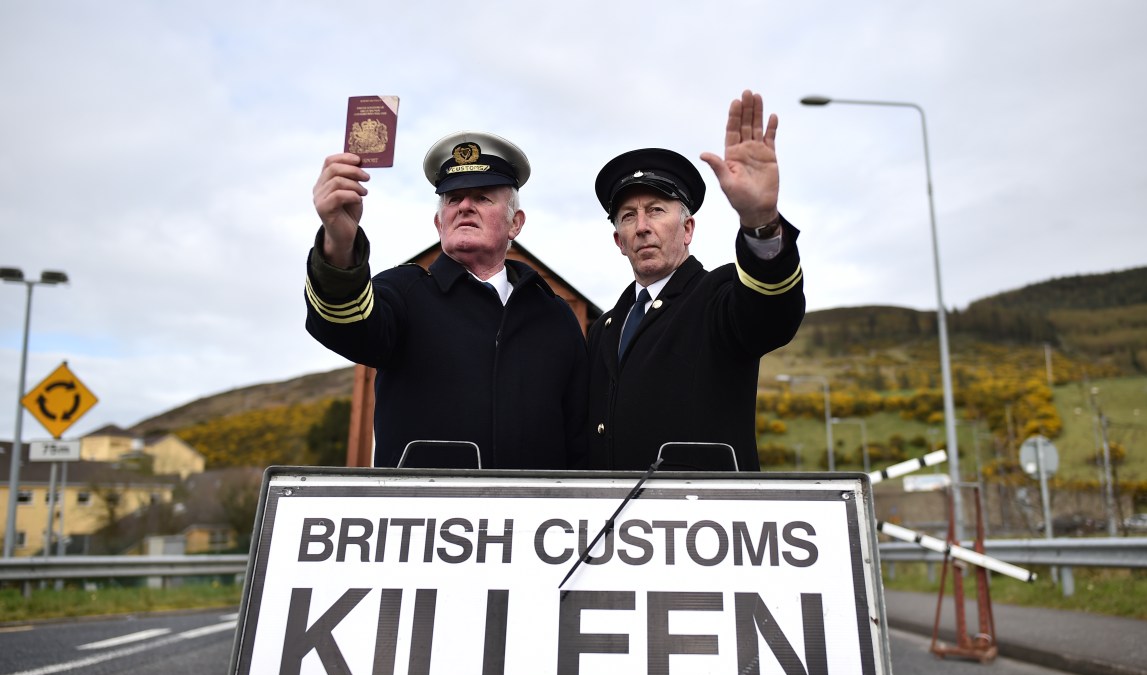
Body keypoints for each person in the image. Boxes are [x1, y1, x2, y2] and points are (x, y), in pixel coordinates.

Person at [306, 131, 587, 469]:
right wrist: (339, 241)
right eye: (453, 198)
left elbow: (580, 440)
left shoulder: (555, 315)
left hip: (533, 518)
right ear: (440, 223)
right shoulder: (404, 293)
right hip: (419, 518)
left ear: (515, 223)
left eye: (482, 197)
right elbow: (344, 321)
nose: (465, 206)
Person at [587, 90, 805, 471]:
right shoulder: (606, 325)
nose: (641, 227)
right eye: (627, 216)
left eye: (656, 211)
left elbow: (771, 312)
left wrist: (760, 222)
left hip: (705, 522)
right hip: (616, 523)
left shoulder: (717, 298)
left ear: (688, 228)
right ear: (617, 240)